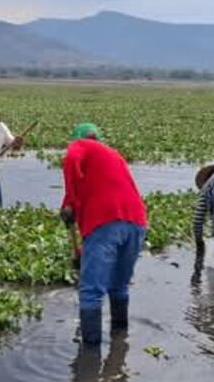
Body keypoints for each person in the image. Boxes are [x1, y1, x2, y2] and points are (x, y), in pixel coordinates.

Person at [60, 123, 148, 346]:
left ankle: (89, 359)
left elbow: (71, 156)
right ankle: (120, 340)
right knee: (119, 286)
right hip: (136, 222)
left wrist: (69, 199)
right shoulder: (113, 156)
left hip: (106, 222)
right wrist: (81, 251)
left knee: (90, 292)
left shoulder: (82, 146)